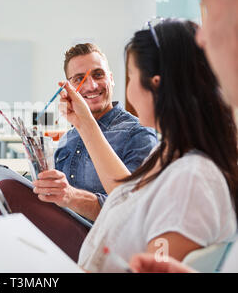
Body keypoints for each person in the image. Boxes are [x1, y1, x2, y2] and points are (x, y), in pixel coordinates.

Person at [0, 43, 158, 272]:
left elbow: (131, 211)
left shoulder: (137, 134)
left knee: (7, 191)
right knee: (0, 220)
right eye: (79, 79)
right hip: (65, 230)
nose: (91, 85)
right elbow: (58, 199)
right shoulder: (70, 137)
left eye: (98, 74)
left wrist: (70, 196)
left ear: (112, 78)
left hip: (103, 242)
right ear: (68, 88)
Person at [58, 18, 237, 272]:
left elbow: (155, 265)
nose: (129, 90)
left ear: (155, 83)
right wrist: (85, 123)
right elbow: (126, 189)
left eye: (131, 76)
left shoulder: (191, 179)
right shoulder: (170, 154)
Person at [129, 0, 238, 273]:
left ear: (156, 84)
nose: (201, 38)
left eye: (209, 7)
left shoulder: (192, 176)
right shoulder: (177, 159)